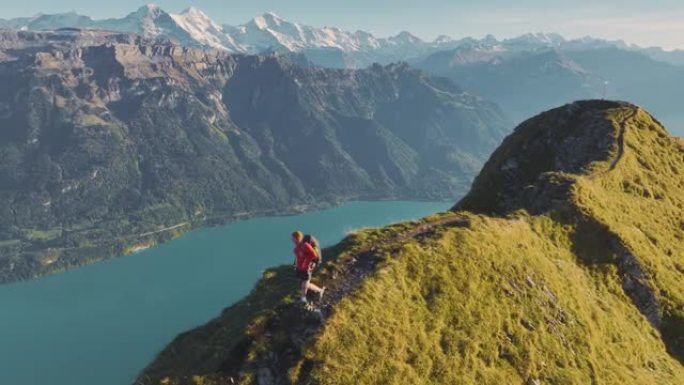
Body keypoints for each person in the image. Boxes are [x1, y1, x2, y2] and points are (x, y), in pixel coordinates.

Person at [292, 230, 325, 304]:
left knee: (305, 281)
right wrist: (297, 265)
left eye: (293, 238)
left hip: (309, 265)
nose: (292, 240)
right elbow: (298, 257)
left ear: (297, 238)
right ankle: (319, 290)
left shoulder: (305, 245)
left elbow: (313, 255)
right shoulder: (298, 247)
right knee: (304, 282)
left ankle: (303, 297)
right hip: (301, 267)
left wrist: (306, 264)